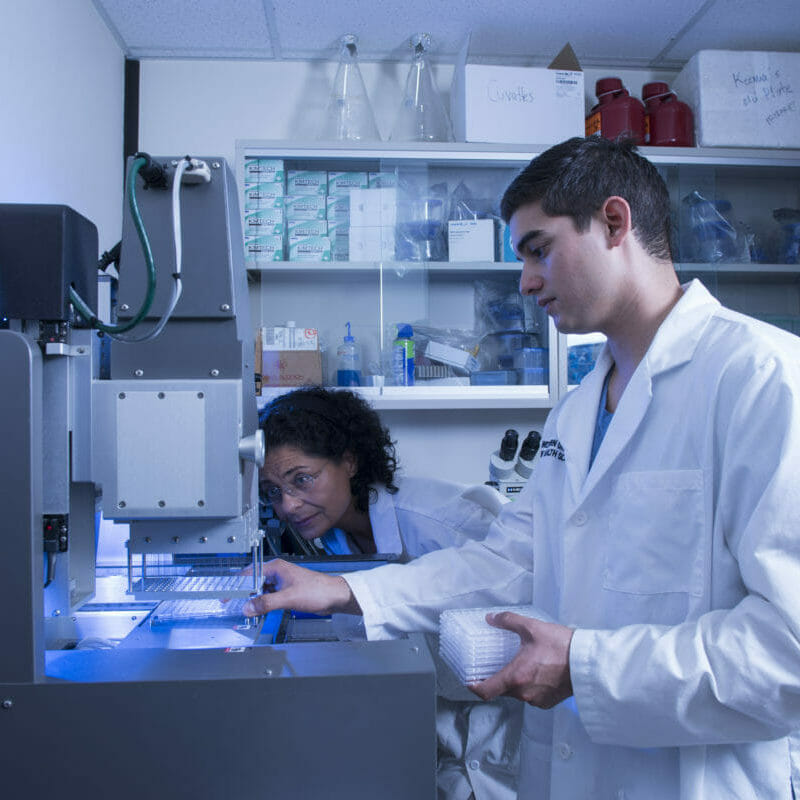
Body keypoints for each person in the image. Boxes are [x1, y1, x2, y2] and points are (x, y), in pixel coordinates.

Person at [246, 137, 800, 799]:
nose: (526, 282)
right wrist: (349, 592)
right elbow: (508, 560)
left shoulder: (762, 378)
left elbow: (786, 653)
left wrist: (587, 667)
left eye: (540, 249)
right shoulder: (577, 410)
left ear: (615, 223)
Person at [254, 386, 526, 800]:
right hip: (440, 737)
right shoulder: (335, 538)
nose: (288, 506)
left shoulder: (442, 521)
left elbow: (513, 591)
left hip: (502, 737)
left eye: (302, 480)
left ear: (349, 460)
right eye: (274, 491)